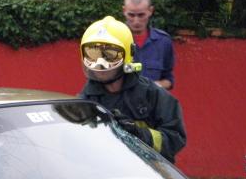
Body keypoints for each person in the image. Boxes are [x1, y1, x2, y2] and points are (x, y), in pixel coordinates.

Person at [78, 16, 186, 163]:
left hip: (148, 177)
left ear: (128, 55)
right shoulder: (84, 102)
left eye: (110, 55)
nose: (100, 63)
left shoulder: (152, 94)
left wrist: (139, 134)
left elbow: (175, 139)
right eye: (93, 54)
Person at [122, 0, 176, 90]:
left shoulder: (163, 41)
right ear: (124, 11)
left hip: (152, 103)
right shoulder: (114, 40)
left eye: (141, 15)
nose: (136, 21)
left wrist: (151, 87)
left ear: (150, 11)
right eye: (131, 15)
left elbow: (168, 80)